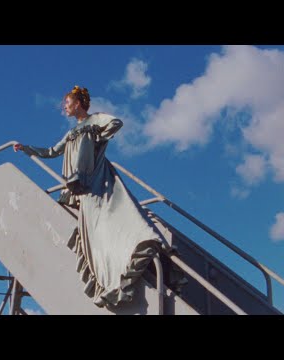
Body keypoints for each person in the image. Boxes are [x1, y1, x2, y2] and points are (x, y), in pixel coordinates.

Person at [14, 85, 183, 308]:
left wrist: (96, 137)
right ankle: (118, 271)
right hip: (82, 187)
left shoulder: (94, 120)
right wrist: (25, 148)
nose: (65, 106)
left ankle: (145, 258)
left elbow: (116, 123)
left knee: (119, 219)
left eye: (67, 102)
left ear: (78, 103)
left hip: (96, 178)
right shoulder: (71, 133)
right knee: (96, 233)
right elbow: (51, 152)